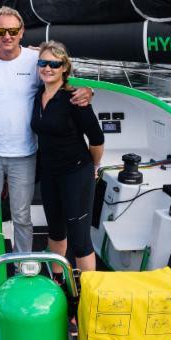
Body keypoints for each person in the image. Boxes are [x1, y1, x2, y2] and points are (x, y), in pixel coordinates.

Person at [0, 7, 93, 276]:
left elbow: (64, 73)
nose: (7, 36)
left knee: (22, 217)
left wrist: (89, 89)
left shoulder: (35, 60)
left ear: (21, 33)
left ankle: (22, 268)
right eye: (1, 31)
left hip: (25, 155)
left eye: (13, 31)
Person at [30, 41, 104, 275]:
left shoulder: (75, 99)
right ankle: (58, 283)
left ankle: (86, 296)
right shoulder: (37, 95)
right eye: (43, 63)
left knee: (80, 239)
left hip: (76, 174)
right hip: (50, 174)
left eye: (54, 64)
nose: (48, 68)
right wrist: (34, 51)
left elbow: (97, 138)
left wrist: (93, 166)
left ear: (65, 67)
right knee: (55, 232)